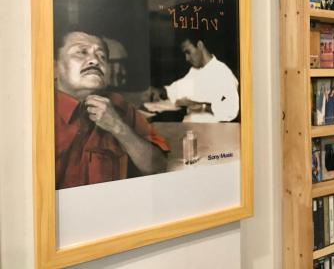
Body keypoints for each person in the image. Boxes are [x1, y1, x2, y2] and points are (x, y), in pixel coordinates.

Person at [54, 30, 169, 189]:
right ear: (53, 67)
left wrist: (119, 128)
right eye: (81, 52)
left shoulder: (118, 105)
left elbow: (158, 166)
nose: (95, 60)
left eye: (101, 56)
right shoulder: (39, 115)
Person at [159, 34, 239, 123]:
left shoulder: (222, 73)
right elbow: (176, 90)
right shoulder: (195, 72)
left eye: (188, 52)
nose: (187, 58)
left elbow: (230, 110)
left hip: (211, 132)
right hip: (189, 129)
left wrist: (202, 106)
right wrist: (158, 92)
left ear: (200, 45)